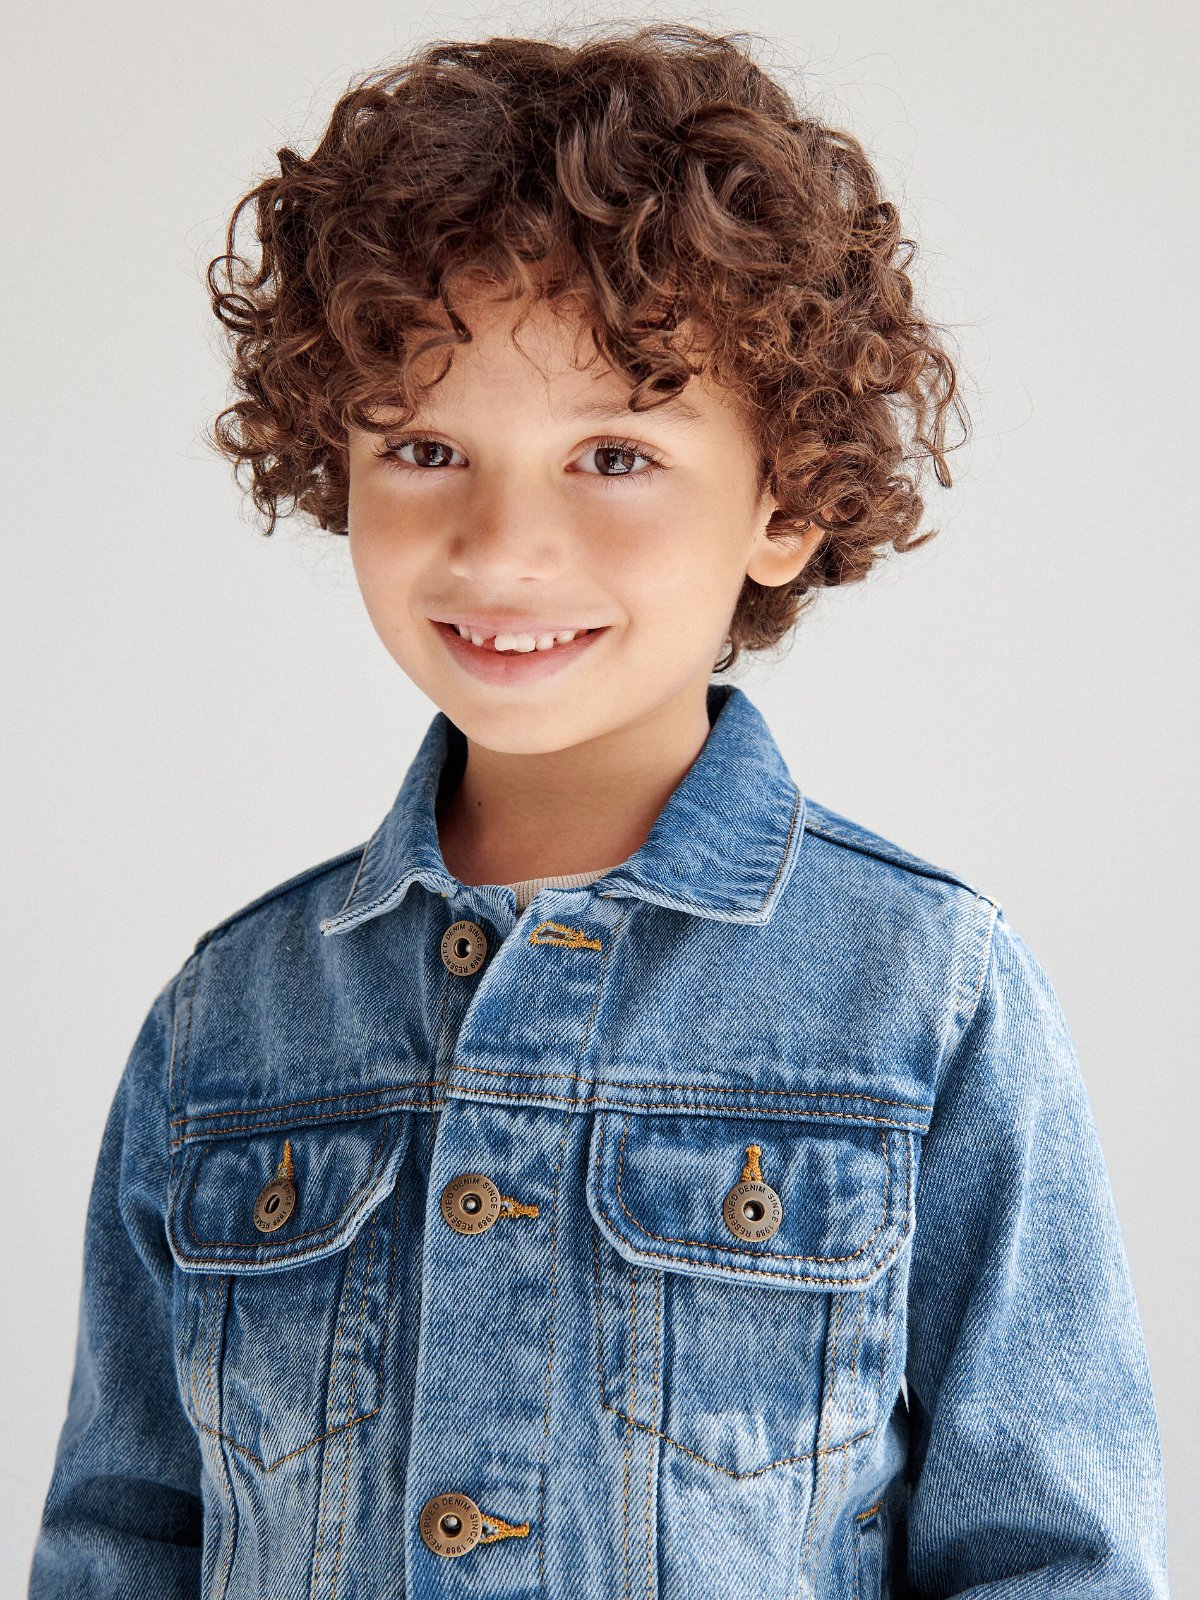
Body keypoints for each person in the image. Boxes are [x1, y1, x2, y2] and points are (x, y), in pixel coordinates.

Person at [29, 22, 1169, 1599]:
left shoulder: (930, 997)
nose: (503, 546)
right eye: (427, 447)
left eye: (614, 456)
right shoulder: (227, 1023)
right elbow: (122, 1540)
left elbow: (1054, 1559)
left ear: (785, 501)